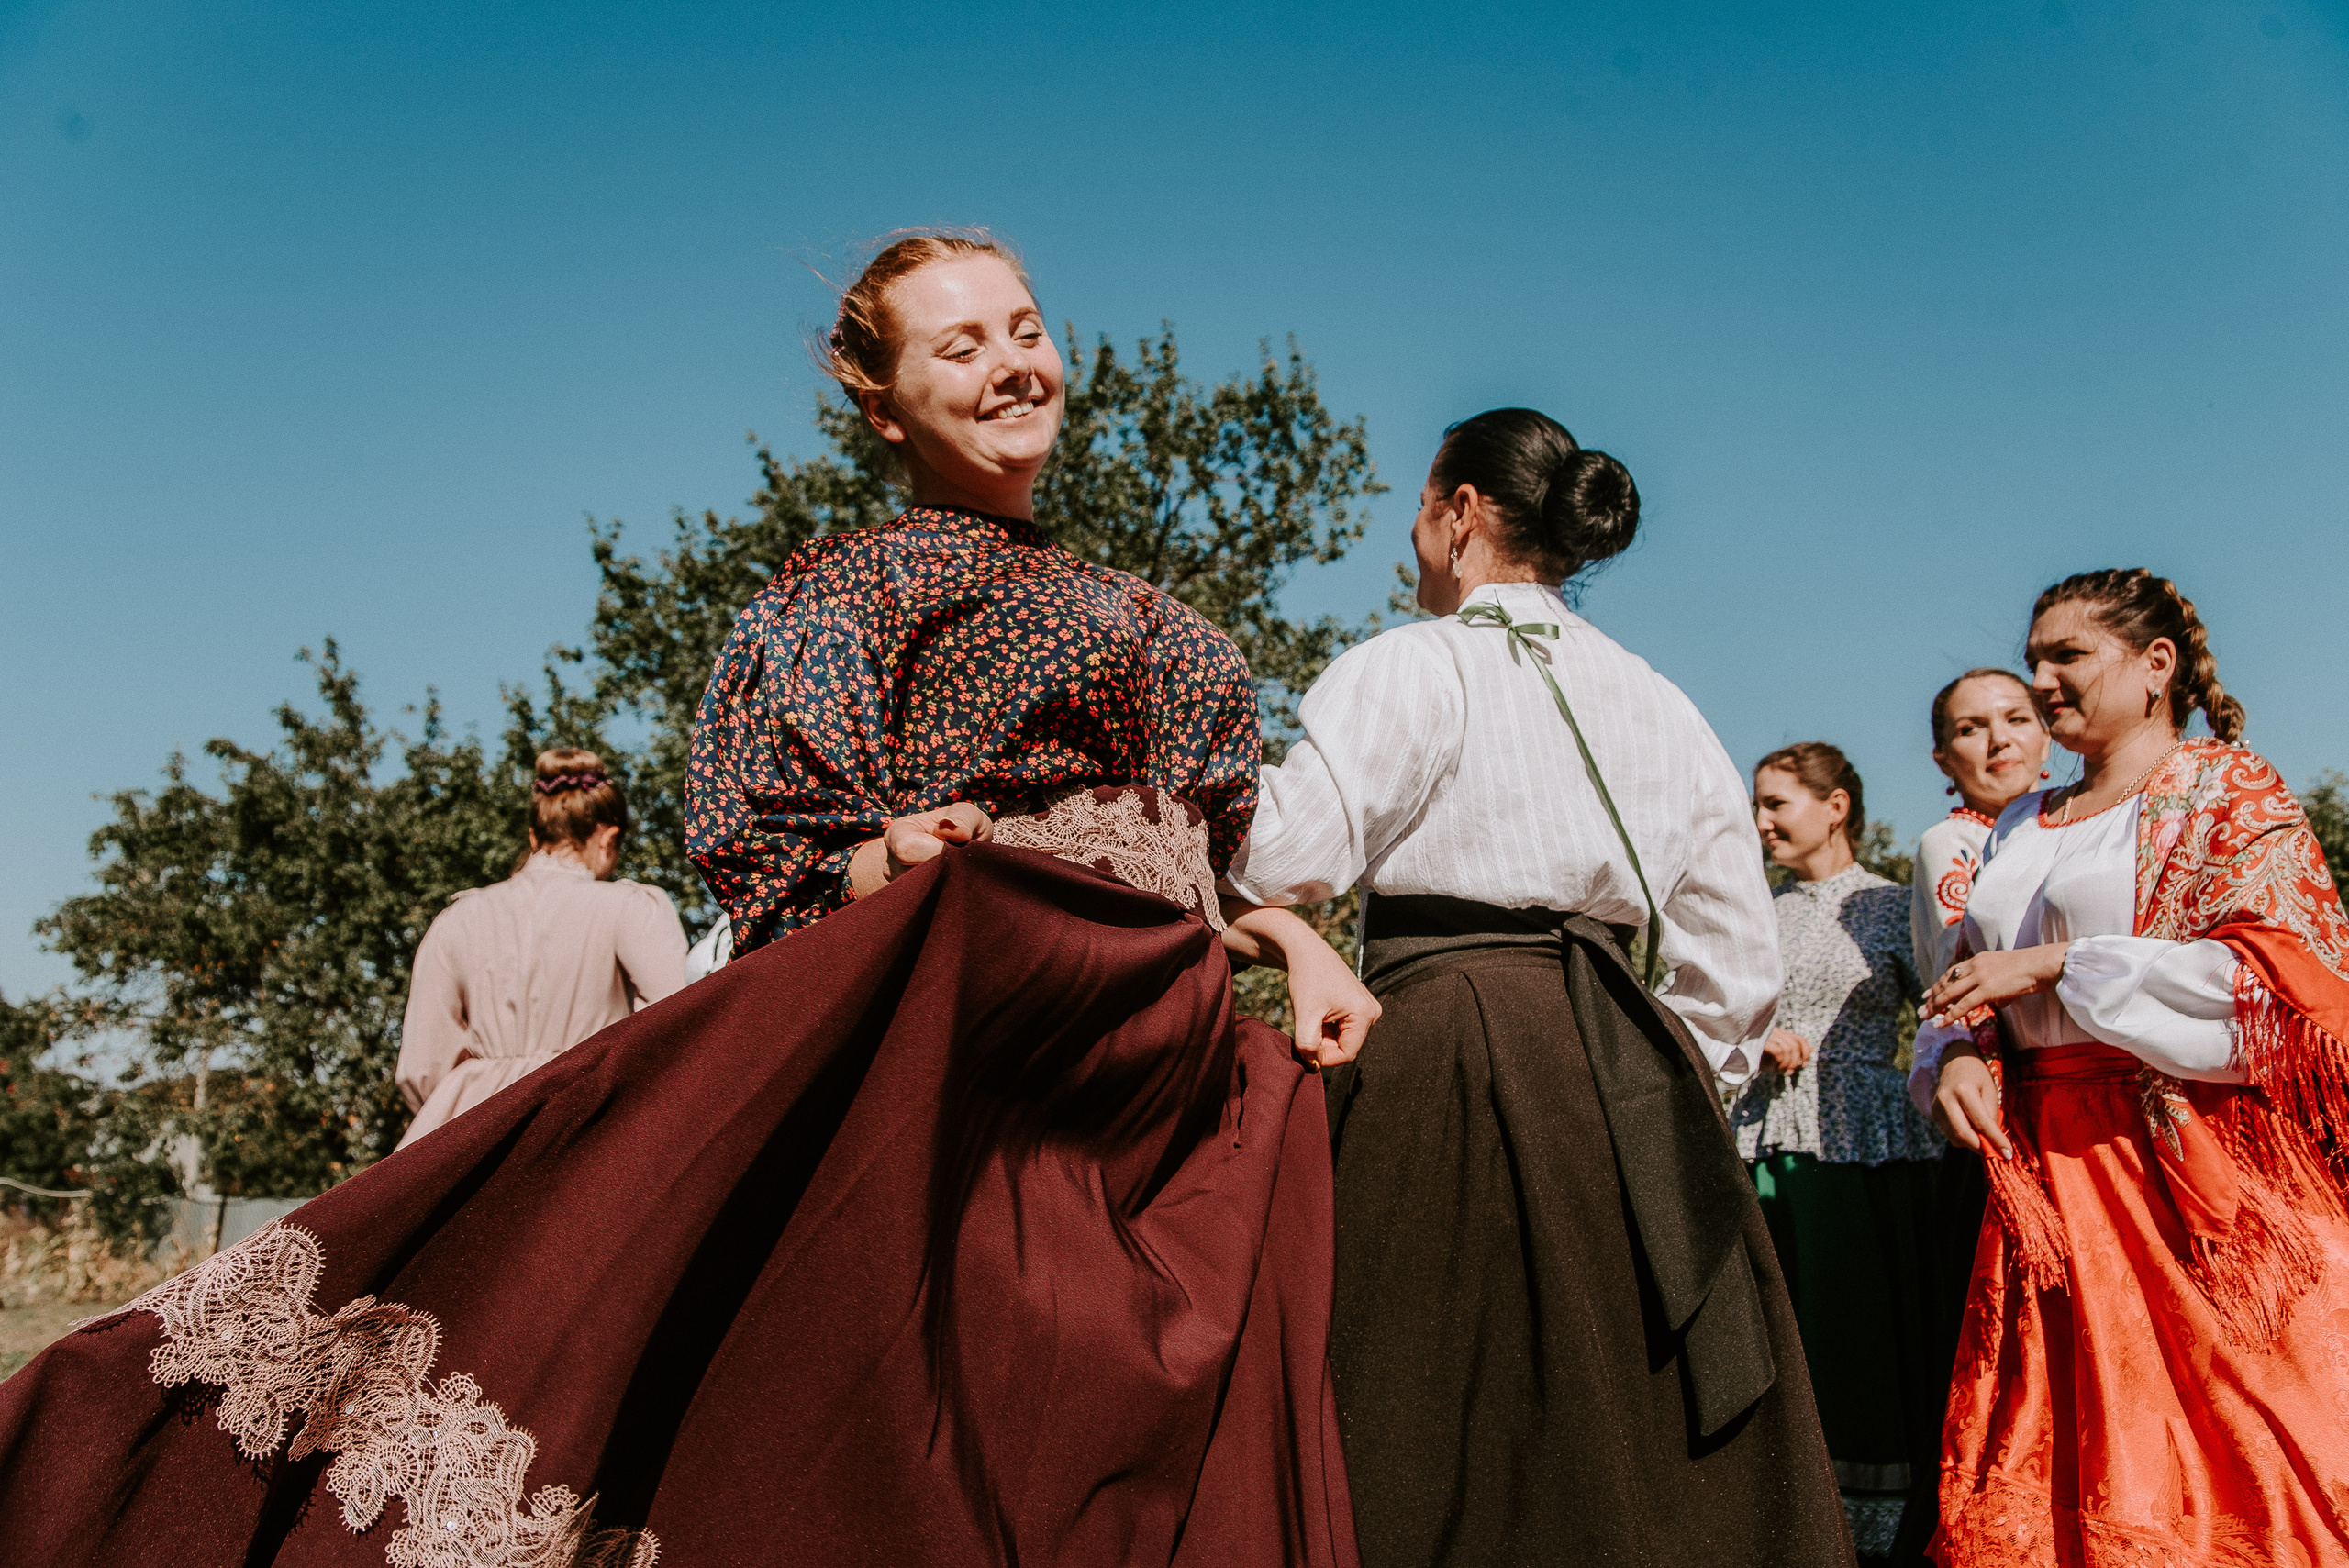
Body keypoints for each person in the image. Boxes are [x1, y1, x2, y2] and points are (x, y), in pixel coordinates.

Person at [0, 230, 1376, 1568]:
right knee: (950, 1459)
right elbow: (789, 848)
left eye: (1025, 329)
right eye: (961, 345)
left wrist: (1296, 939)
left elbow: (1192, 862)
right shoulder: (844, 589)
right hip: (981, 1069)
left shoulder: (1158, 613)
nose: (1013, 364)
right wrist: (884, 852)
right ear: (879, 402)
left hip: (1172, 1076)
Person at [1226, 406, 1851, 1568]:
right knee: (1624, 1407)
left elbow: (1279, 853)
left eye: (1420, 507)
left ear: (1459, 512)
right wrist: (1677, 1098)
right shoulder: (1664, 700)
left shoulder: (1410, 663)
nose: (1413, 538)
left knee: (1435, 1403)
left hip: (1442, 1047)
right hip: (1627, 1060)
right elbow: (1735, 954)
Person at [1918, 568, 2349, 1568]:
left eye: (2067, 655)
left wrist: (2063, 961)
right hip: (2043, 1168)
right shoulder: (2021, 820)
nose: (2042, 680)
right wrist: (1955, 1054)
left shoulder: (2225, 786)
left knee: (2239, 1435)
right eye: (2035, 659)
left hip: (2180, 1155)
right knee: (2053, 1441)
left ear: (2155, 665)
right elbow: (1964, 978)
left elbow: (2291, 986)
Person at [1737, 742, 1943, 1561]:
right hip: (1756, 1136)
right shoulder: (1755, 912)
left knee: (1849, 1336)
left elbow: (1944, 1014)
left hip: (1857, 1144)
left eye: (1776, 804)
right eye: (1757, 806)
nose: (1761, 823)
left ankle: (1867, 1529)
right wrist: (1751, 1039)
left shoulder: (1893, 907)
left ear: (1837, 805)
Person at [1887, 671, 2049, 1567]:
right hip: (1999, 1104)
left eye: (2015, 719)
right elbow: (1955, 980)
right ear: (1944, 757)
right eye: (1969, 729)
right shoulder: (1951, 843)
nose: (1998, 741)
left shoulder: (2083, 821)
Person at [394, 747, 688, 1148]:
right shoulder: (630, 908)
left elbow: (422, 1067)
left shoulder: (457, 920)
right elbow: (680, 1028)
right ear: (609, 838)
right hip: (586, 1129)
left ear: (534, 837)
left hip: (471, 1132)